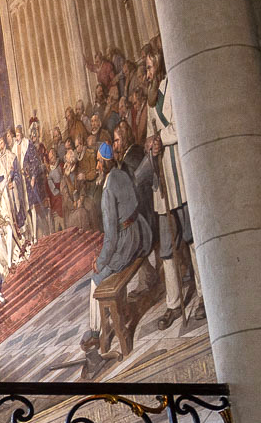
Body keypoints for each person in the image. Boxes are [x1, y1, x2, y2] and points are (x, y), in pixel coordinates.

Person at [83, 138, 157, 366]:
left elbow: (112, 238)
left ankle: (96, 333)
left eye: (98, 162)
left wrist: (100, 260)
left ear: (105, 164)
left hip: (127, 241)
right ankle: (113, 316)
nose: (96, 166)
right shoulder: (121, 174)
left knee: (96, 280)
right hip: (140, 230)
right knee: (108, 268)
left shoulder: (107, 190)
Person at [143, 48, 198, 328]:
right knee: (166, 246)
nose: (147, 72)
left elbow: (179, 126)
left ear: (160, 67)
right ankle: (174, 304)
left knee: (191, 236)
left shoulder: (173, 87)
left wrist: (160, 138)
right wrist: (150, 143)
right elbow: (147, 136)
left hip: (179, 176)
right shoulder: (150, 99)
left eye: (150, 67)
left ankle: (203, 293)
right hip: (161, 183)